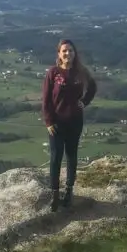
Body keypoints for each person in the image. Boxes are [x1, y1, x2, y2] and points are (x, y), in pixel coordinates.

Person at [42, 39, 97, 212]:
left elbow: (93, 87)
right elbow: (46, 100)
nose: (68, 54)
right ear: (59, 53)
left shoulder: (80, 72)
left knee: (72, 156)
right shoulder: (53, 73)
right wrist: (49, 121)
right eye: (64, 51)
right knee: (55, 158)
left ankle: (69, 192)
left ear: (75, 53)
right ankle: (55, 194)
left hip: (75, 121)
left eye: (71, 51)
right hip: (57, 123)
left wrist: (85, 102)